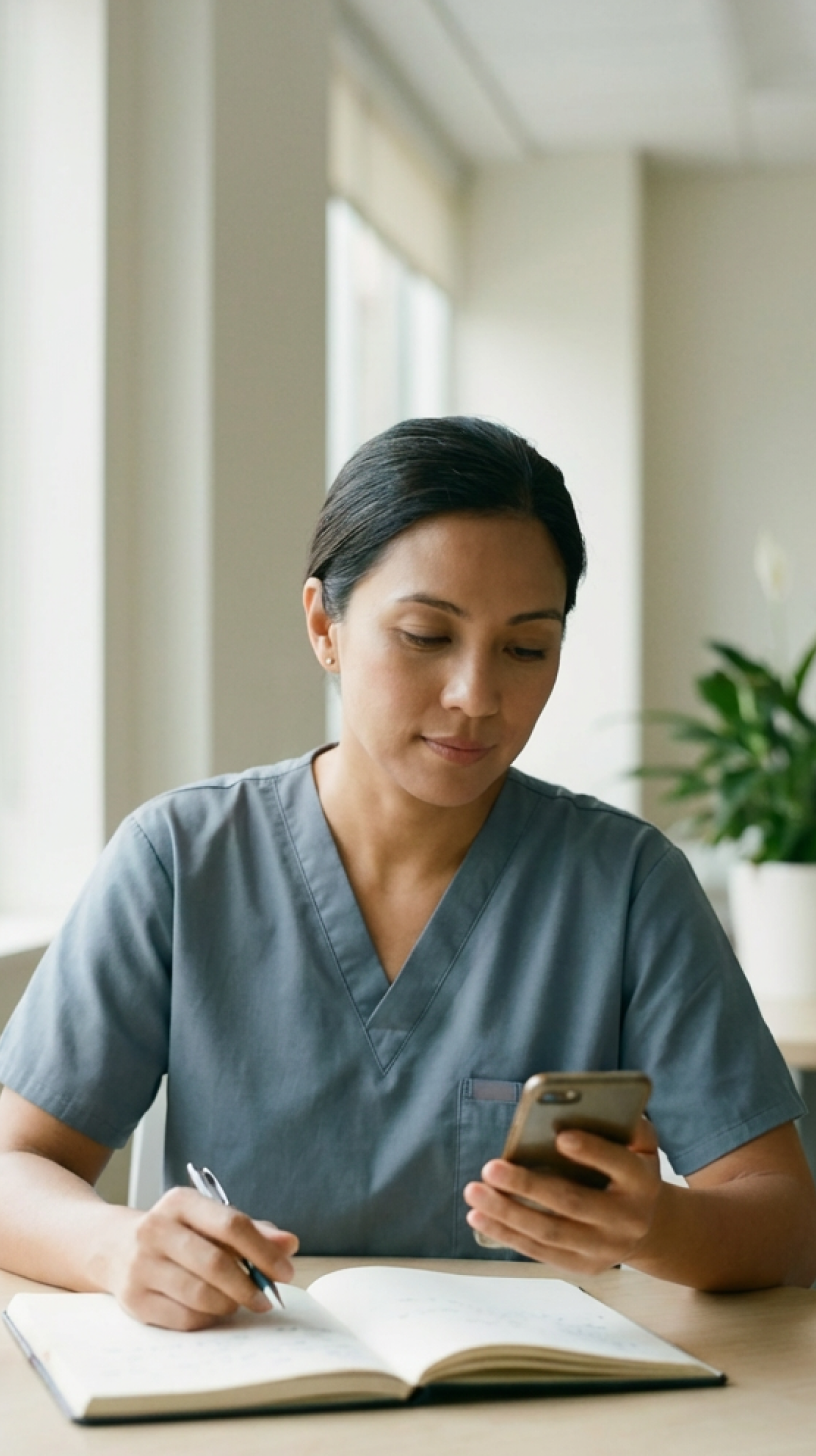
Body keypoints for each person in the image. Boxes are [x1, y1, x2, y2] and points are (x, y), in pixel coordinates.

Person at [0, 417, 814, 1332]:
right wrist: (115, 1247)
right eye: (427, 635)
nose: (476, 695)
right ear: (325, 626)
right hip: (245, 1396)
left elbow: (783, 1218)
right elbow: (14, 1166)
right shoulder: (181, 860)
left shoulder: (626, 885)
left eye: (526, 648)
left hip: (539, 1409)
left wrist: (661, 1224)